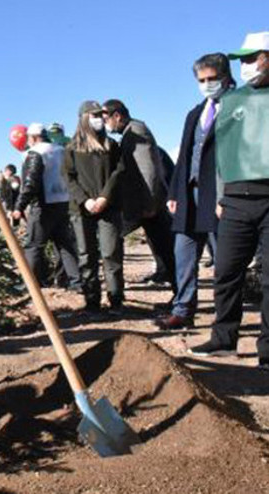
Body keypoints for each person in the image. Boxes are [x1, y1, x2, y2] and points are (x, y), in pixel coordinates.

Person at [189, 32, 269, 371]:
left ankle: (267, 351)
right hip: (236, 199)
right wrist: (222, 196)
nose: (246, 65)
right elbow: (224, 152)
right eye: (242, 60)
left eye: (253, 58)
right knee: (225, 271)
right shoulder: (232, 102)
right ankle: (223, 339)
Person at [156, 53, 232, 330]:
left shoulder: (238, 106)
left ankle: (225, 318)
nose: (207, 84)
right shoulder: (195, 113)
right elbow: (184, 158)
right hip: (190, 195)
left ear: (225, 76)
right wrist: (174, 194)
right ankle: (183, 309)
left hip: (219, 195)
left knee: (223, 260)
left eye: (212, 78)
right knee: (184, 252)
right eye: (202, 80)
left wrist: (228, 195)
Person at [102, 99, 177, 291]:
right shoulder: (130, 132)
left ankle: (181, 297)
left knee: (165, 248)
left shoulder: (136, 130)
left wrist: (150, 203)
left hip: (147, 203)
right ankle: (178, 294)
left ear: (116, 116)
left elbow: (148, 169)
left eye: (106, 119)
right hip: (143, 203)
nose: (105, 125)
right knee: (163, 247)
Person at [63, 101, 126, 313]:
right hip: (81, 209)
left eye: (101, 114)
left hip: (109, 207)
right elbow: (68, 178)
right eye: (94, 115)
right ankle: (92, 301)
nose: (99, 118)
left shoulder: (112, 146)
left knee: (111, 253)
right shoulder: (72, 148)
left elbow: (119, 172)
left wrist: (104, 197)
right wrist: (86, 200)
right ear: (83, 119)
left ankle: (116, 300)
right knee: (86, 255)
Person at [11, 123, 80, 288]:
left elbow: (30, 183)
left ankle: (30, 283)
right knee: (64, 244)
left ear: (33, 137)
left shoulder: (35, 153)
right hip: (64, 202)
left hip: (43, 204)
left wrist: (19, 206)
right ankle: (76, 281)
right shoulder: (61, 150)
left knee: (33, 245)